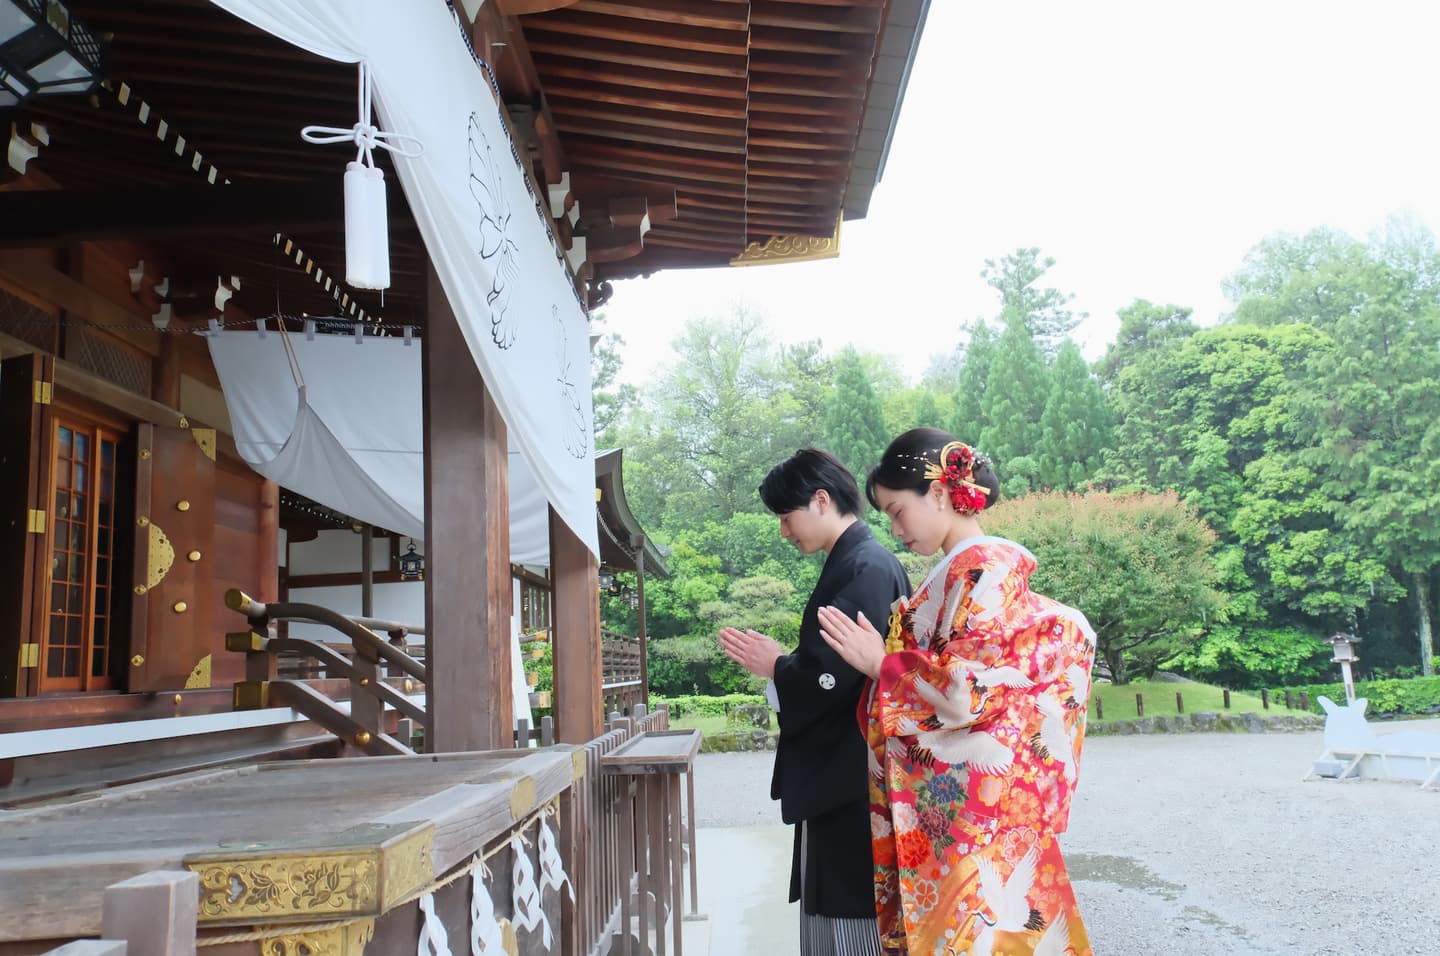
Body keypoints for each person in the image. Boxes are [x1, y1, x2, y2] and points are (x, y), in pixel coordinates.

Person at [817, 428, 1095, 956]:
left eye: (898, 511)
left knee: (983, 926)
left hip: (978, 807)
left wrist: (883, 664)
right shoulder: (957, 574)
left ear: (940, 494)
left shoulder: (984, 571)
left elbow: (972, 690)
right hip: (973, 800)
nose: (895, 529)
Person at [719, 448, 911, 956]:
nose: (784, 531)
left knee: (852, 906)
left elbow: (836, 674)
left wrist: (779, 666)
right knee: (838, 899)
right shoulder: (856, 563)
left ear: (820, 500)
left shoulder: (866, 567)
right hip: (845, 769)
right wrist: (785, 666)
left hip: (852, 773)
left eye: (786, 517)